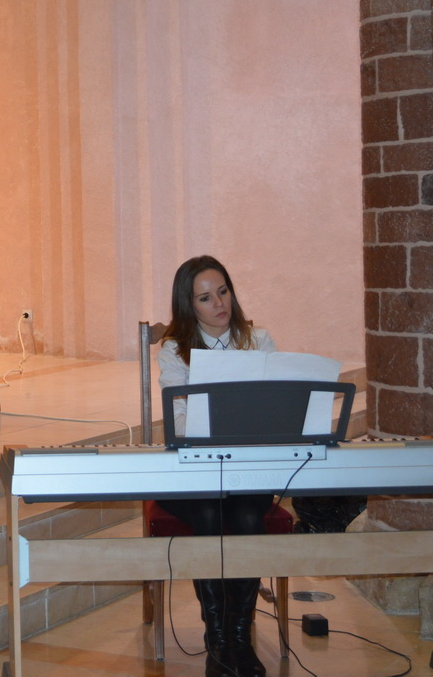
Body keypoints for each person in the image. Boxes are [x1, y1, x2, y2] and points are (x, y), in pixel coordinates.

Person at [156, 255, 277, 677]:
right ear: (189, 305)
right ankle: (218, 639)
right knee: (208, 514)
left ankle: (241, 637)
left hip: (247, 472)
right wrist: (215, 422)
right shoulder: (174, 350)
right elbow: (177, 420)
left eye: (223, 292)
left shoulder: (258, 341)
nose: (219, 304)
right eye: (205, 298)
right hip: (192, 472)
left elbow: (276, 411)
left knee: (246, 516)